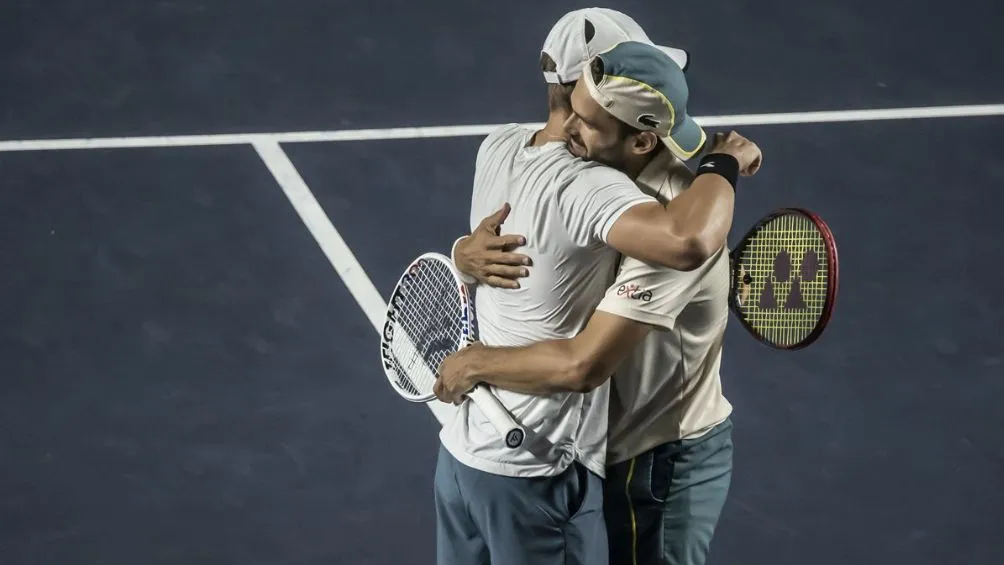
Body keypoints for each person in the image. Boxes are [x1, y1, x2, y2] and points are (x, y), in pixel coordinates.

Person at [431, 9, 760, 565]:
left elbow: (583, 364)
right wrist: (465, 253)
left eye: (587, 117)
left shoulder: (668, 214)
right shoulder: (564, 172)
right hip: (601, 447)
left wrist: (476, 362)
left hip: (659, 457)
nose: (566, 131)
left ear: (637, 136)